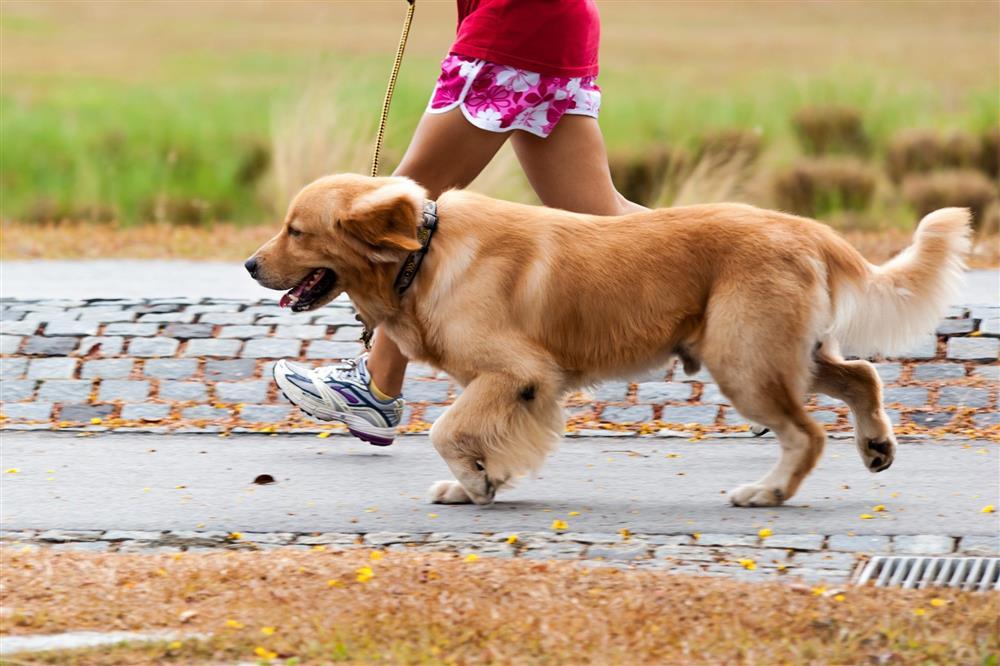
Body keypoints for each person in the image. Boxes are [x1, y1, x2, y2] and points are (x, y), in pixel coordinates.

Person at [273, 0, 645, 446]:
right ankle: (735, 269)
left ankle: (374, 386)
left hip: (512, 28)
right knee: (607, 222)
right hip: (557, 22)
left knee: (398, 211)